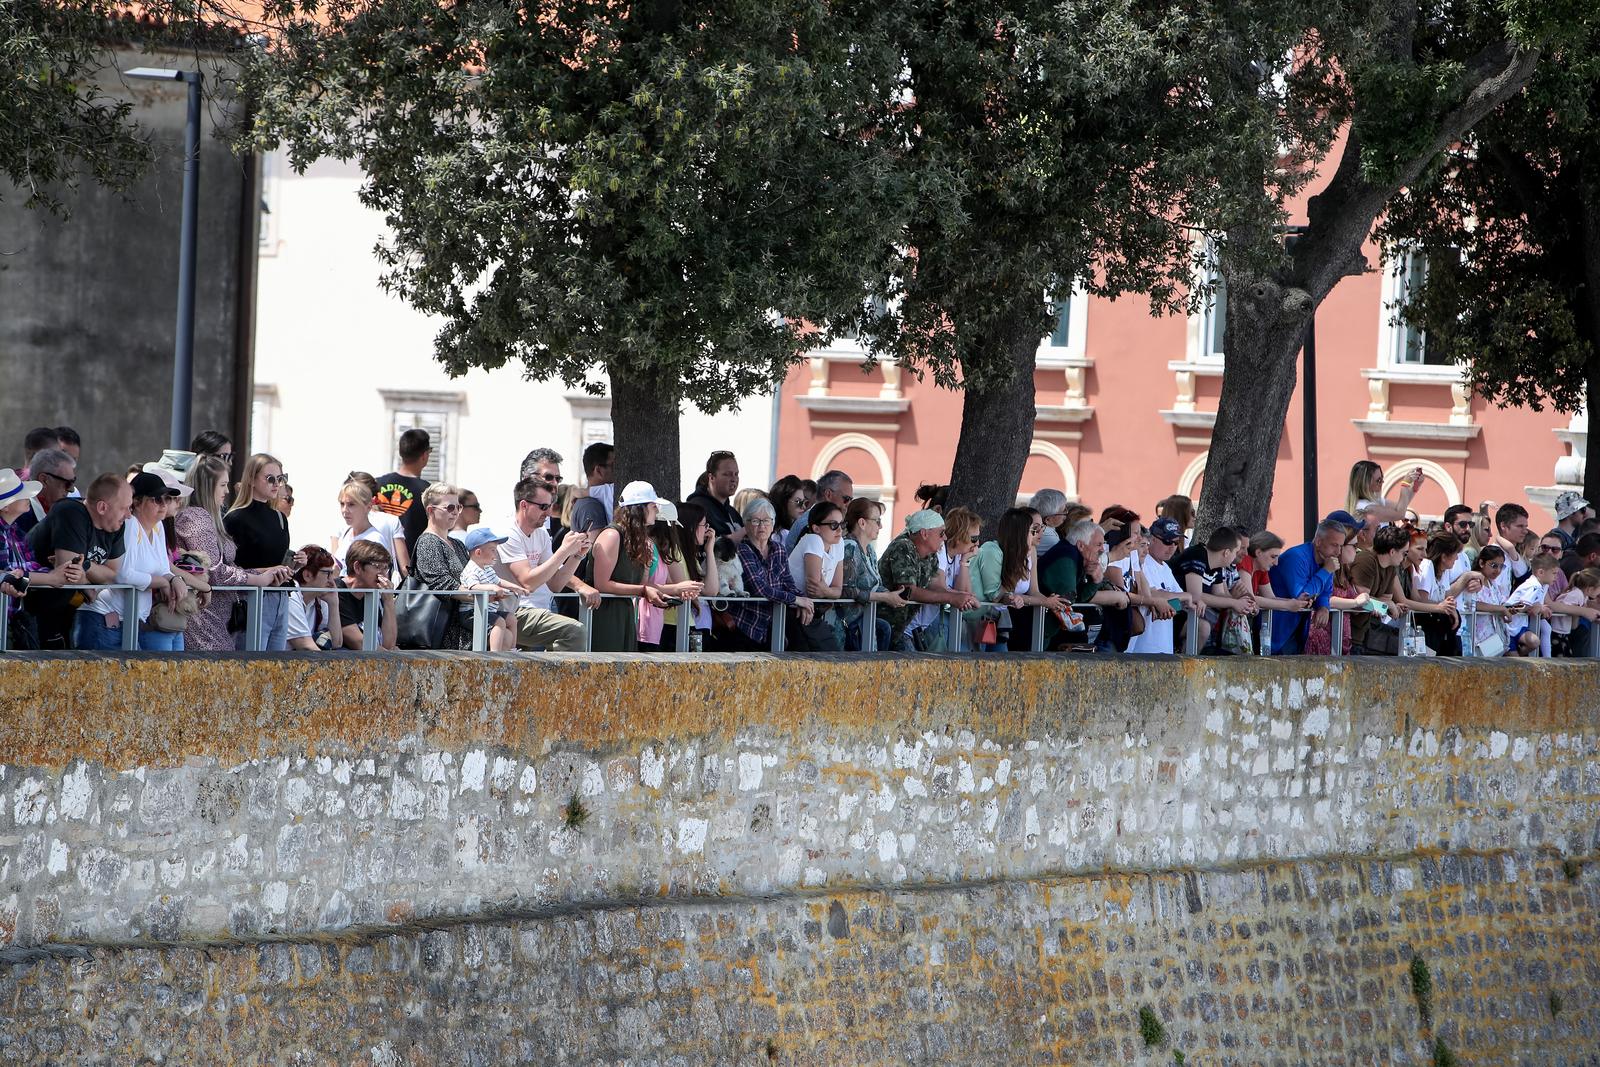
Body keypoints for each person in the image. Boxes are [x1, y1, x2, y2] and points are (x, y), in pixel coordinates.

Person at [175, 455, 290, 651]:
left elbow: (228, 567)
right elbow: (215, 571)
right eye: (223, 485)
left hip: (221, 617)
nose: (227, 491)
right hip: (204, 618)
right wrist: (259, 579)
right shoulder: (196, 518)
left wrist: (264, 575)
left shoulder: (210, 517)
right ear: (208, 485)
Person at [74, 473, 188, 650]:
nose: (164, 504)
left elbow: (164, 569)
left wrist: (174, 579)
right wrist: (163, 581)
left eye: (167, 498)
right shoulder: (129, 525)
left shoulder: (158, 527)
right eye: (156, 499)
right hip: (103, 618)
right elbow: (123, 575)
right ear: (137, 502)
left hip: (129, 620)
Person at [25, 472, 131, 649]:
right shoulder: (70, 512)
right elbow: (68, 574)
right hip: (30, 610)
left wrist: (86, 567)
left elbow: (112, 575)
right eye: (124, 508)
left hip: (64, 612)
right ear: (102, 508)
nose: (128, 515)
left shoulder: (116, 525)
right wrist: (89, 585)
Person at [499, 476, 591, 651]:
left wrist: (576, 556)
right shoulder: (507, 534)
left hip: (527, 611)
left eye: (550, 506)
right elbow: (528, 582)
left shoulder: (540, 534)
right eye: (543, 507)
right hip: (505, 613)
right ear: (524, 505)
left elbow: (555, 584)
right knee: (575, 631)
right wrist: (563, 551)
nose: (548, 513)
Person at [224, 454, 304, 651]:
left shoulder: (279, 517)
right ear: (251, 479)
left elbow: (277, 558)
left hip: (281, 596)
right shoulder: (235, 518)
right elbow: (228, 568)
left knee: (275, 668)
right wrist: (267, 571)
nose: (276, 484)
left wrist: (295, 564)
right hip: (251, 598)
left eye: (280, 478)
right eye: (269, 478)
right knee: (250, 665)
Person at [0, 469, 83, 649]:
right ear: (6, 506)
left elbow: (26, 567)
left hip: (10, 619)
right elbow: (8, 573)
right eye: (21, 495)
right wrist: (52, 577)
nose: (28, 498)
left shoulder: (14, 531)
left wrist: (60, 569)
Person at [972, 507, 1069, 652]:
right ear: (1020, 533)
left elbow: (1033, 591)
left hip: (1003, 619)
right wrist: (1044, 601)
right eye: (1033, 530)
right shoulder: (992, 551)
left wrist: (1052, 602)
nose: (1038, 533)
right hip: (981, 618)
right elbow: (996, 595)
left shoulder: (1031, 552)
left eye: (1039, 528)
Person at [878, 510, 978, 651]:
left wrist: (961, 597)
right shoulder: (903, 546)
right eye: (941, 533)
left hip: (902, 629)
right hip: (885, 626)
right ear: (924, 534)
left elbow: (936, 586)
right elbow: (908, 591)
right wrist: (952, 598)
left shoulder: (930, 554)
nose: (945, 538)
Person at [591, 481, 671, 652]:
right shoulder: (612, 535)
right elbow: (601, 584)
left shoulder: (635, 540)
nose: (657, 509)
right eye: (653, 505)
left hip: (625, 613)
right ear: (640, 508)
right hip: (605, 615)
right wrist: (643, 590)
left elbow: (637, 582)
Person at [723, 496, 810, 649]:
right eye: (755, 521)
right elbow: (759, 589)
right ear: (746, 524)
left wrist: (804, 601)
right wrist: (795, 599)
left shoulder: (779, 549)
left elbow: (788, 583)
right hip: (749, 623)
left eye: (766, 521)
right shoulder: (742, 550)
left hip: (774, 621)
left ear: (773, 524)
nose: (761, 526)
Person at [1266, 518, 1353, 654]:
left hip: (1297, 630)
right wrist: (1325, 571)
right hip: (1275, 629)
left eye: (1341, 546)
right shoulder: (1297, 557)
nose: (1338, 552)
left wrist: (1324, 607)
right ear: (1318, 542)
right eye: (1334, 545)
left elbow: (1326, 592)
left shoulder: (1327, 561)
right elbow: (1302, 596)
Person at [410, 483, 474, 650]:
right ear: (431, 511)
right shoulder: (427, 542)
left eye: (458, 507)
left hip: (464, 624)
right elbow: (441, 584)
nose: (455, 512)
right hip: (442, 631)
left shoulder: (458, 544)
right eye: (450, 507)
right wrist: (479, 595)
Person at [838, 498, 907, 652]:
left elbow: (876, 585)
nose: (881, 526)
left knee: (883, 628)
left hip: (864, 623)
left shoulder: (870, 551)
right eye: (877, 521)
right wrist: (885, 597)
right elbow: (847, 590)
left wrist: (893, 595)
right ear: (862, 523)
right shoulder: (849, 547)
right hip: (846, 627)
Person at [1170, 527, 1254, 650]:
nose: (1236, 556)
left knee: (1203, 627)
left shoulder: (1217, 565)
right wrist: (1234, 602)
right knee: (1203, 628)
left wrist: (1243, 603)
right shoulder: (1197, 555)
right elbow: (1196, 595)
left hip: (1186, 612)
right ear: (1226, 553)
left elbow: (1219, 594)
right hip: (1171, 608)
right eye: (1235, 552)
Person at [1125, 517, 1195, 653]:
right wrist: (1184, 596)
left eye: (1176, 543)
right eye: (1167, 542)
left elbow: (1181, 604)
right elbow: (1151, 595)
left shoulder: (1165, 568)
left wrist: (1168, 606)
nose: (1172, 547)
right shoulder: (1143, 562)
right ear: (1152, 539)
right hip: (1141, 648)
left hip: (1163, 647)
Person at [786, 500, 848, 650]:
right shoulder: (812, 539)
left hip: (811, 611)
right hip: (791, 610)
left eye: (842, 524)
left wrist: (826, 591)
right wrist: (829, 592)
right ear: (816, 528)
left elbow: (837, 590)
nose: (839, 530)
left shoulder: (839, 544)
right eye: (833, 525)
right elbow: (814, 588)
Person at [1303, 529, 1368, 656]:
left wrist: (1370, 603)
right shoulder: (1327, 568)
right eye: (1354, 546)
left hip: (1340, 640)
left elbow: (1352, 600)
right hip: (1322, 637)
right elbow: (1327, 599)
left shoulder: (1344, 571)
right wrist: (1355, 602)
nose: (1357, 550)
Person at [1411, 532, 1478, 656]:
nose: (1457, 558)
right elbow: (1421, 601)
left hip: (1437, 630)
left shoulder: (1444, 571)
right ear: (1444, 556)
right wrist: (1445, 607)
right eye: (1455, 554)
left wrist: (1450, 608)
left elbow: (1447, 597)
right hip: (1424, 630)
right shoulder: (1427, 566)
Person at [1347, 525, 1410, 655]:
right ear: (1392, 551)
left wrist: (1388, 605)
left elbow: (1385, 600)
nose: (1404, 558)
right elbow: (1361, 598)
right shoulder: (1366, 560)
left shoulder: (1391, 567)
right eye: (1404, 553)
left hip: (1370, 635)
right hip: (1353, 636)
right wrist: (1387, 605)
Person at [667, 500, 719, 649]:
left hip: (687, 623)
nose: (707, 530)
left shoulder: (690, 556)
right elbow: (688, 590)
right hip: (672, 623)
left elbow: (711, 590)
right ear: (691, 526)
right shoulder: (674, 552)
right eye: (704, 525)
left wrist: (709, 550)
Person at [459, 527, 520, 651]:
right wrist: (492, 587)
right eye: (492, 550)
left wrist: (515, 587)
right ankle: (493, 655)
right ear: (478, 552)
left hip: (487, 610)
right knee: (500, 622)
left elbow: (499, 581)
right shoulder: (471, 569)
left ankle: (513, 650)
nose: (495, 554)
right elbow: (473, 586)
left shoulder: (487, 569)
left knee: (512, 619)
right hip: (471, 612)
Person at [334, 479, 411, 578]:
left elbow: (380, 580)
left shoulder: (375, 539)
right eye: (342, 504)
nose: (344, 510)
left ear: (368, 507)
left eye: (351, 504)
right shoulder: (346, 532)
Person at [376, 428, 432, 548]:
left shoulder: (376, 484)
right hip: (410, 560)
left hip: (376, 557)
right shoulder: (428, 491)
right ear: (424, 455)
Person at [1459, 545, 1516, 656]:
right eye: (1494, 565)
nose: (1498, 570)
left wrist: (1509, 608)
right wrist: (1499, 608)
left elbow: (1502, 603)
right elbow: (1472, 604)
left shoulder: (1492, 584)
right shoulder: (1473, 582)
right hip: (1476, 640)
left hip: (1493, 640)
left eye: (1501, 567)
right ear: (1481, 563)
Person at [339, 540, 398, 649]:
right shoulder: (339, 590)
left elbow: (389, 644)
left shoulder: (374, 592)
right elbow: (359, 643)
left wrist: (388, 601)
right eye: (377, 566)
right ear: (357, 567)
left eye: (385, 568)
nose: (383, 573)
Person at [285, 546, 344, 651]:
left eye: (332, 573)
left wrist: (334, 603)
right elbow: (306, 646)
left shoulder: (320, 598)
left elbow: (336, 643)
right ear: (307, 575)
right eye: (327, 573)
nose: (332, 581)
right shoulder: (291, 595)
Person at [1505, 553, 1561, 656]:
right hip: (1508, 628)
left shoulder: (1542, 585)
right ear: (1540, 572)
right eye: (1554, 573)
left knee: (1534, 642)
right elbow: (1524, 607)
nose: (1556, 577)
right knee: (1515, 663)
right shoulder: (1533, 586)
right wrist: (1539, 607)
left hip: (1519, 627)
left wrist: (1538, 606)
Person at [15, 447, 76, 537]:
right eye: (67, 483)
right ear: (44, 480)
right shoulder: (17, 517)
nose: (72, 489)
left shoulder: (66, 513)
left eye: (73, 481)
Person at [686, 451, 745, 541]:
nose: (734, 479)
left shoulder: (733, 513)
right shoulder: (696, 509)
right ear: (711, 477)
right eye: (727, 474)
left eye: (736, 474)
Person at [1346, 460, 1422, 524]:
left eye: (1382, 478)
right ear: (1365, 483)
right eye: (1378, 480)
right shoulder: (1365, 508)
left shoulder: (1375, 501)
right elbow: (1400, 514)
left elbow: (1401, 506)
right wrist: (1405, 484)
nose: (1382, 482)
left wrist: (1415, 486)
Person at [1549, 567, 1600, 656]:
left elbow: (1575, 624)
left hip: (1564, 632)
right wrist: (1581, 611)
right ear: (1590, 589)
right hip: (1556, 632)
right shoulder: (1576, 595)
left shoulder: (1584, 596)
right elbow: (1564, 605)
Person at [767, 475, 812, 545]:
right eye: (798, 501)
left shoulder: (793, 531)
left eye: (804, 502)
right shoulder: (779, 535)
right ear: (783, 501)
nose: (803, 507)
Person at [581, 443, 615, 518]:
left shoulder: (583, 497)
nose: (618, 470)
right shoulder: (589, 507)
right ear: (599, 471)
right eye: (613, 465)